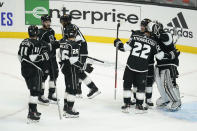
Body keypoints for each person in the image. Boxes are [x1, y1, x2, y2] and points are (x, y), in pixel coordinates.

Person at [113, 25, 165, 113]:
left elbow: (125, 48)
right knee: (141, 87)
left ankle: (126, 105)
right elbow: (160, 56)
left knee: (127, 85)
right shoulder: (154, 42)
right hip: (143, 69)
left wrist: (117, 43)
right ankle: (139, 105)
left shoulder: (135, 36)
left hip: (130, 66)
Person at [60, 14, 101, 99]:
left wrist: (76, 52)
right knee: (77, 70)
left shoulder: (70, 28)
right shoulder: (68, 27)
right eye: (62, 20)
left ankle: (93, 88)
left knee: (78, 70)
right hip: (80, 50)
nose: (63, 22)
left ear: (67, 21)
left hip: (80, 50)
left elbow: (78, 41)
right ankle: (79, 91)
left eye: (64, 20)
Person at [18, 25, 50, 122]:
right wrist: (44, 56)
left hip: (24, 69)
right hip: (34, 70)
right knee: (34, 92)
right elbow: (33, 58)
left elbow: (20, 56)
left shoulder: (24, 41)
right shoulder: (35, 43)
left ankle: (34, 110)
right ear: (37, 33)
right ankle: (31, 113)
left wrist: (26, 65)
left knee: (33, 90)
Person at [147, 21, 181, 111]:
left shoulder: (165, 34)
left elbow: (166, 39)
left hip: (169, 63)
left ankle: (176, 101)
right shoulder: (154, 37)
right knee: (159, 83)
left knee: (169, 83)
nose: (151, 32)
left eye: (152, 29)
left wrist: (167, 55)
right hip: (160, 63)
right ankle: (166, 98)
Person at [131, 18, 155, 108]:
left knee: (149, 82)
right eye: (141, 25)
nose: (141, 27)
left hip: (150, 63)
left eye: (143, 26)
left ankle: (148, 99)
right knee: (135, 81)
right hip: (138, 62)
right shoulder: (136, 33)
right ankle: (135, 98)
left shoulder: (153, 37)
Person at [38, 14, 59, 104]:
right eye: (46, 22)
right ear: (42, 22)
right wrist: (49, 46)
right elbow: (39, 45)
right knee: (44, 76)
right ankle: (40, 95)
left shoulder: (51, 31)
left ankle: (51, 94)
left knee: (55, 75)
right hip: (45, 58)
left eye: (49, 21)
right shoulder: (39, 32)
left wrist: (57, 43)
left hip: (53, 57)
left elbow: (53, 42)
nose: (48, 23)